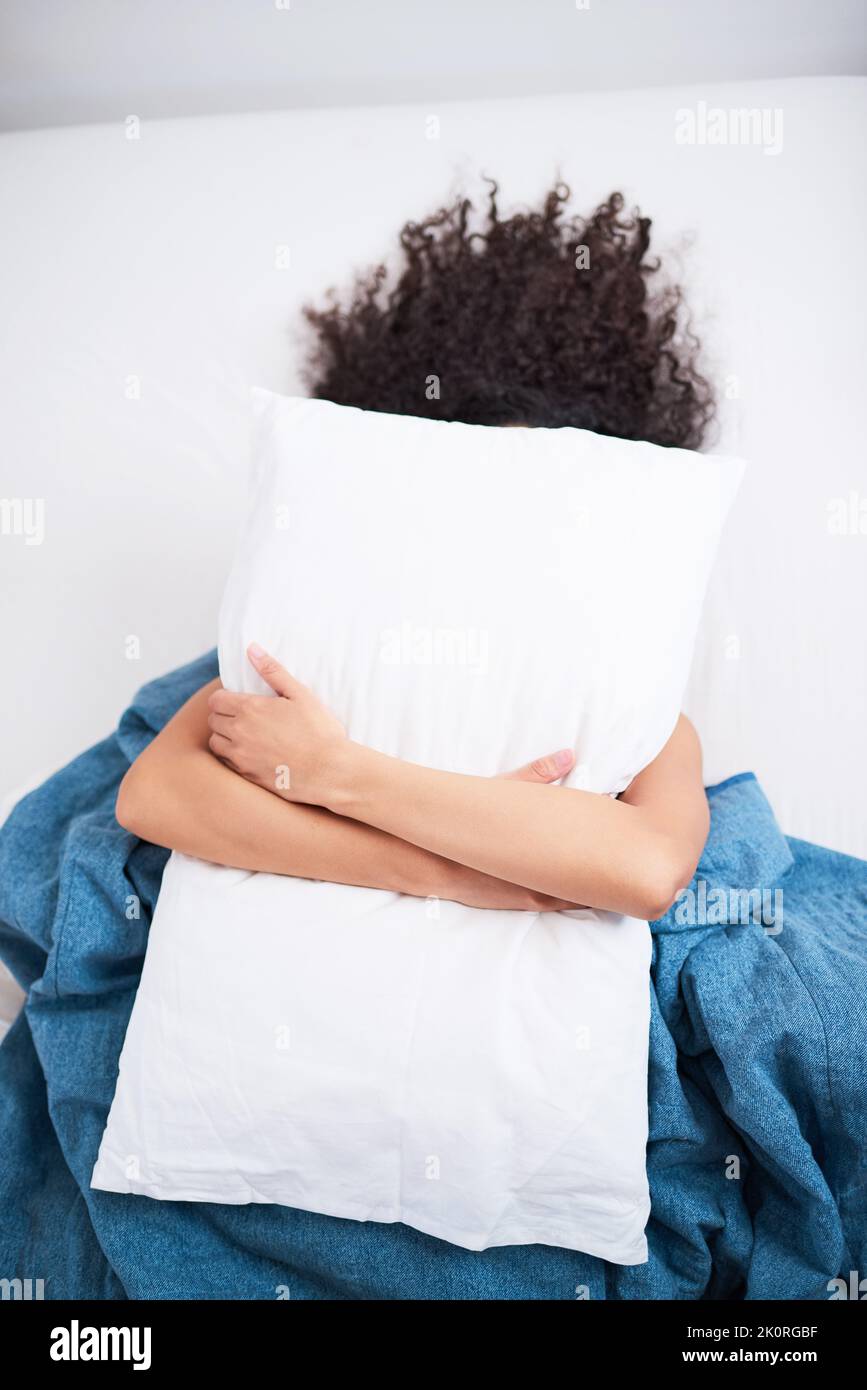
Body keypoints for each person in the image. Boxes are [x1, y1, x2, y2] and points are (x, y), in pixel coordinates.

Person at [116, 181, 712, 920]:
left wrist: (334, 771)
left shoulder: (628, 699)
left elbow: (649, 870)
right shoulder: (317, 652)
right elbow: (153, 795)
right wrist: (451, 872)